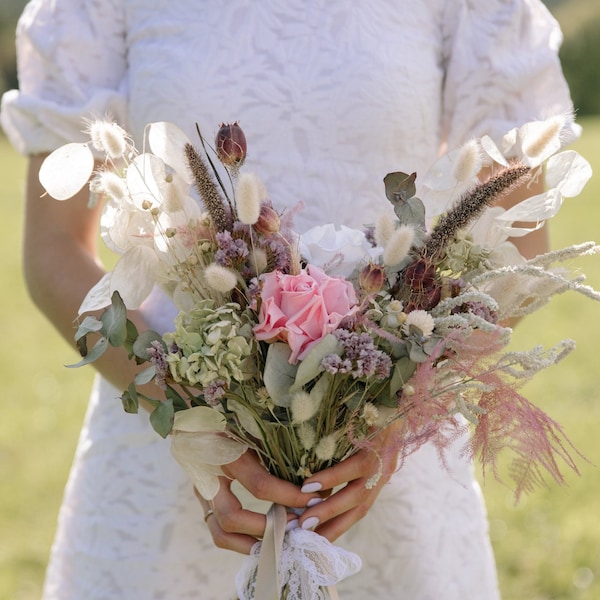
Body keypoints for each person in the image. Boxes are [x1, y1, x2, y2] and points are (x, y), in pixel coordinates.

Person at [0, 0, 577, 598]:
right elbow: (54, 249)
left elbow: (517, 250)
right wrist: (191, 417)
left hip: (389, 474)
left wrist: (389, 418)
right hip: (162, 457)